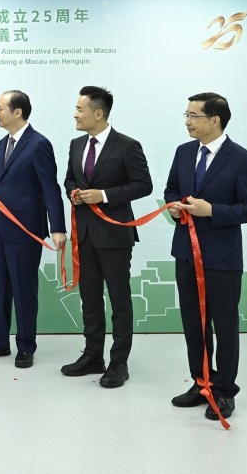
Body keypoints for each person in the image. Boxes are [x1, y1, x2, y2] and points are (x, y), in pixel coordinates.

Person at [164, 92, 247, 420]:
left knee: (225, 325)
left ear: (215, 120)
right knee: (194, 324)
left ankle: (224, 391)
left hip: (222, 258)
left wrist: (212, 211)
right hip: (186, 254)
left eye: (193, 116)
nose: (187, 122)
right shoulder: (183, 152)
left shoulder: (244, 159)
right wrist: (175, 207)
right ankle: (201, 383)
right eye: (186, 115)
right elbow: (171, 189)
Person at [0, 90, 66, 368]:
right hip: (1, 228)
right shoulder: (3, 143)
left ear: (17, 112)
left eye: (0, 108)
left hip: (25, 230)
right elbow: (4, 179)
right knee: (0, 289)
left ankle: (26, 346)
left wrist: (57, 227)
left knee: (23, 290)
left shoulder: (39, 144)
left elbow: (50, 188)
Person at [61, 86, 152, 388]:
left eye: (80, 109)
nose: (75, 115)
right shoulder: (76, 144)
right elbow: (69, 179)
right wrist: (74, 192)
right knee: (89, 299)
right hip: (85, 235)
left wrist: (103, 195)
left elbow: (144, 185)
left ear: (98, 113)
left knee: (119, 301)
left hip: (114, 235)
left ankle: (118, 364)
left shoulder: (127, 146)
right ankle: (92, 356)